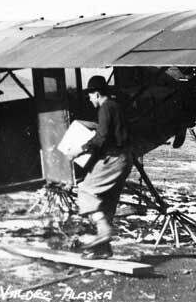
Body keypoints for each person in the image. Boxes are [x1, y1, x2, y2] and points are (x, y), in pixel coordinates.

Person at [76, 75, 133, 259]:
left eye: (91, 95)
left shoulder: (105, 107)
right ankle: (103, 249)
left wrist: (80, 149)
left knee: (85, 190)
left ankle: (103, 231)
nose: (90, 99)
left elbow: (102, 137)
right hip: (125, 158)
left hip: (113, 159)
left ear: (97, 93)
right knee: (107, 200)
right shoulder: (116, 107)